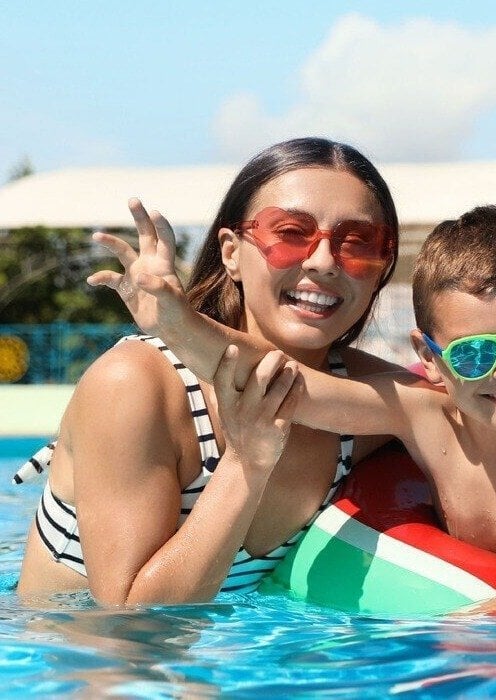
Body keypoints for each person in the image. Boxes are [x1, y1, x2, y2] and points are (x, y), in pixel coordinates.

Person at [100, 204, 496, 609]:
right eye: (473, 354)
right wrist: (175, 323)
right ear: (429, 357)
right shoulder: (421, 414)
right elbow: (291, 385)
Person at [14, 137, 404, 604]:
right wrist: (247, 462)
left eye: (358, 242)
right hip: (73, 659)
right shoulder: (135, 385)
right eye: (290, 233)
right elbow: (133, 623)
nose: (323, 262)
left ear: (381, 268)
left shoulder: (372, 404)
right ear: (231, 252)